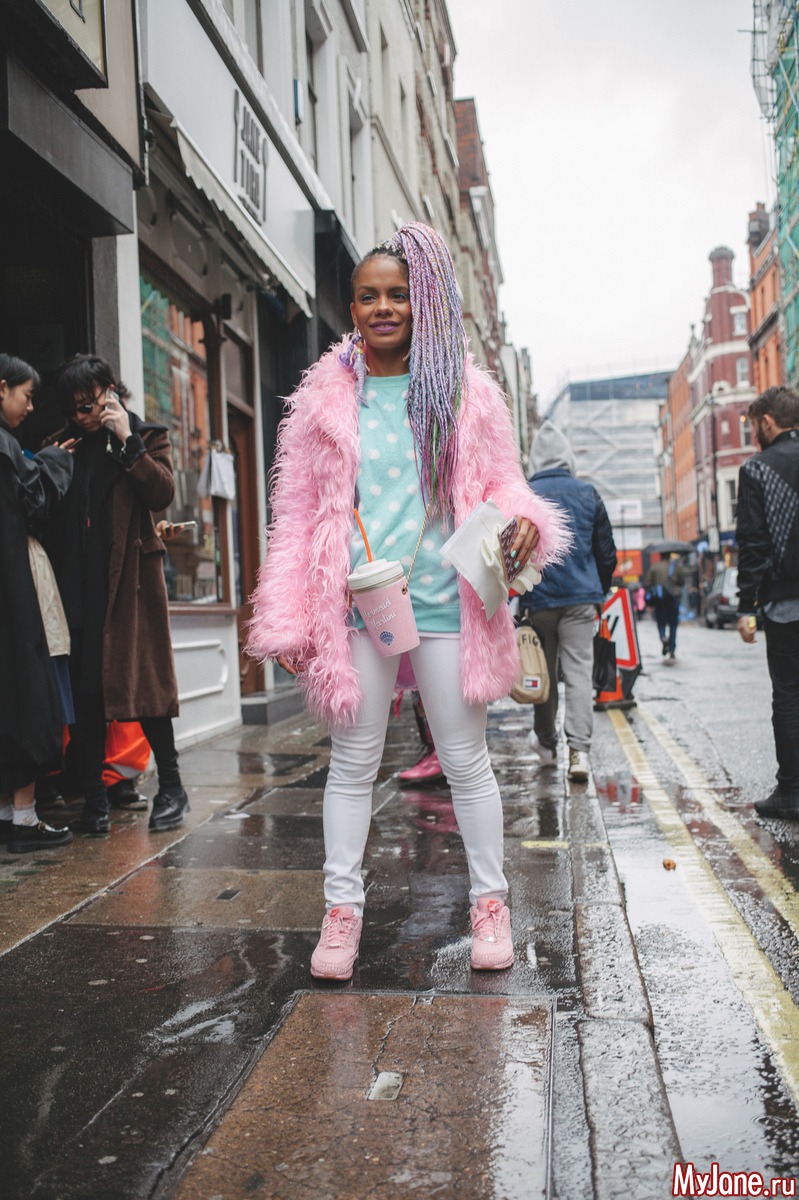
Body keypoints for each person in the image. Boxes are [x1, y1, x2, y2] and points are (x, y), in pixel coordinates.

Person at [247, 223, 569, 980]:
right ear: (351, 307)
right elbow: (298, 515)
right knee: (352, 764)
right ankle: (341, 912)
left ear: (421, 302)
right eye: (368, 296)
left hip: (448, 602)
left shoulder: (465, 392)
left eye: (397, 294)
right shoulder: (324, 399)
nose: (383, 308)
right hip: (358, 605)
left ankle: (490, 905)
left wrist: (524, 522)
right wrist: (291, 615)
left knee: (465, 761)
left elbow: (504, 485)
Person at [44, 354, 188, 836]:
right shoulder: (63, 445)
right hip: (77, 583)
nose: (82, 416)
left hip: (131, 585)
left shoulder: (146, 436)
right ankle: (95, 800)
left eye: (89, 405)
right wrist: (52, 466)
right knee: (86, 697)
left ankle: (172, 789)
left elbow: (161, 494)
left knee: (147, 692)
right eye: (74, 409)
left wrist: (128, 441)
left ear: (111, 392)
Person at [0, 353, 76, 852]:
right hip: (12, 588)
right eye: (26, 396)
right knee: (26, 690)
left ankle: (8, 814)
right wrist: (53, 461)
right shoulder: (5, 447)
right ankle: (24, 819)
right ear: (2, 388)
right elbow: (35, 502)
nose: (30, 407)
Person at [519, 420, 617, 782]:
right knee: (578, 674)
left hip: (539, 598)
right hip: (580, 599)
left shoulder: (525, 494)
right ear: (567, 457)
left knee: (541, 674)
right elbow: (606, 552)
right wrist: (598, 591)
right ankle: (579, 753)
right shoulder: (588, 493)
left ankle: (546, 745)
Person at [736, 386, 799, 820]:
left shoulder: (756, 470)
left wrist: (747, 606)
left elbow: (754, 543)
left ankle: (792, 791)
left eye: (754, 425)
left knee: (789, 695)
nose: (753, 432)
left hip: (785, 603)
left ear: (768, 422)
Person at [645, 552, 684, 660]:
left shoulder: (654, 567)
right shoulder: (676, 567)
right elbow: (682, 582)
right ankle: (672, 649)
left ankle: (663, 637)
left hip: (660, 599)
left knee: (661, 622)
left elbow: (647, 582)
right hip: (673, 598)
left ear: (660, 556)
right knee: (673, 625)